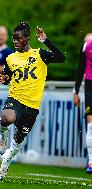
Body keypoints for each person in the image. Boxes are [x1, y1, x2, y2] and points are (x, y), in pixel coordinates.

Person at [0, 22, 66, 180]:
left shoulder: (40, 54)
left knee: (19, 139)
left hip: (32, 105)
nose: (14, 41)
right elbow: (7, 77)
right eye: (13, 38)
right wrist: (5, 79)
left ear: (26, 38)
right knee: (6, 118)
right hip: (15, 98)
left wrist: (45, 41)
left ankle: (6, 160)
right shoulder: (10, 58)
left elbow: (62, 58)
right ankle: (2, 135)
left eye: (18, 38)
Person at [73, 33, 92, 174]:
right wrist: (76, 92)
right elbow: (80, 69)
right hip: (90, 86)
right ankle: (91, 162)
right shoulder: (87, 45)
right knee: (91, 125)